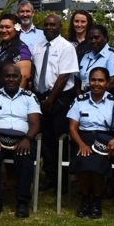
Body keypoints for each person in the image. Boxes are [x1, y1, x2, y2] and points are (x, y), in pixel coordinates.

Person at [0, 64, 41, 218]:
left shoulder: (30, 97)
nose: (11, 79)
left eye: (14, 76)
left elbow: (35, 123)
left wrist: (27, 139)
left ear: (20, 78)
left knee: (24, 159)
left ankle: (22, 202)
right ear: (2, 78)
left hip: (23, 140)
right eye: (7, 76)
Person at [67, 67, 114, 219]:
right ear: (89, 81)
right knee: (84, 158)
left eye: (100, 80)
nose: (96, 83)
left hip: (105, 139)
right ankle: (86, 199)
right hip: (83, 138)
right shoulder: (80, 100)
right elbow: (72, 128)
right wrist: (81, 144)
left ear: (107, 83)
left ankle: (96, 200)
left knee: (96, 161)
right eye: (93, 80)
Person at [31, 14, 79, 191]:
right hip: (40, 96)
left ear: (60, 27)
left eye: (53, 25)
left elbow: (64, 75)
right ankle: (50, 176)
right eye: (46, 25)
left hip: (59, 98)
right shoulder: (38, 46)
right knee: (45, 140)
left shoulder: (66, 47)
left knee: (59, 139)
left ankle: (62, 180)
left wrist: (50, 100)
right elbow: (35, 72)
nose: (49, 27)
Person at [76, 24, 114, 93]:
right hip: (83, 98)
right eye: (90, 38)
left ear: (106, 38)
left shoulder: (112, 56)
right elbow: (77, 78)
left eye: (96, 37)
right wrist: (80, 97)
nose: (93, 41)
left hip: (102, 99)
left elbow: (113, 82)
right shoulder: (86, 55)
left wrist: (92, 96)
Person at [0, 13, 32, 90]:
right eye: (1, 27)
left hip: (10, 97)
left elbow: (24, 77)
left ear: (16, 28)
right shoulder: (0, 46)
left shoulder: (21, 49)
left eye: (7, 27)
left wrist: (15, 99)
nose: (4, 30)